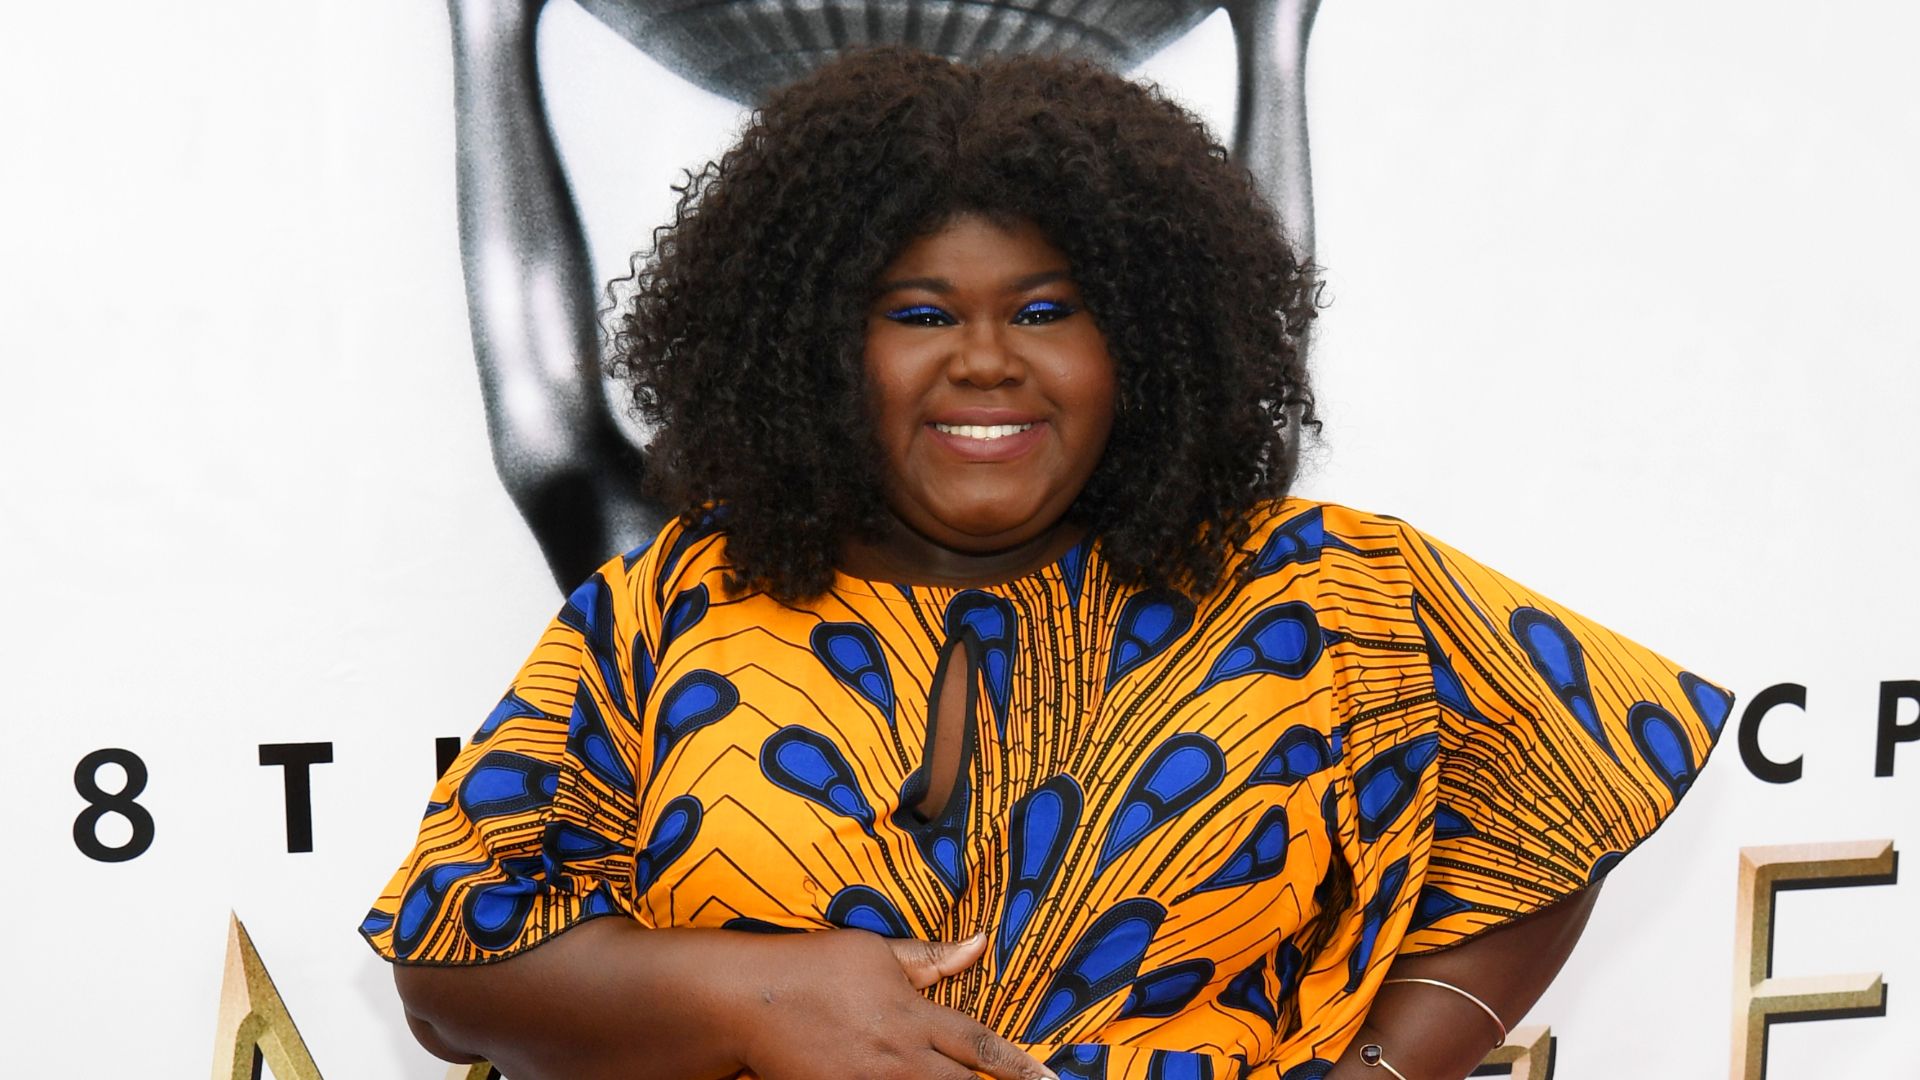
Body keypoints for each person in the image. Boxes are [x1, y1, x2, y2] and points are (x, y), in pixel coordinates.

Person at [361, 47, 1731, 1080]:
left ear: (1139, 340)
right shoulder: (674, 604)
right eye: (918, 312)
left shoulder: (1318, 593)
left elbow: (1569, 779)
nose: (986, 359)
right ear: (816, 348)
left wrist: (1379, 1069)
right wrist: (751, 996)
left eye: (1044, 309)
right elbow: (451, 967)